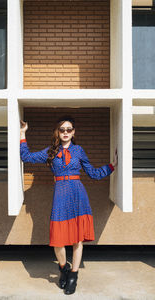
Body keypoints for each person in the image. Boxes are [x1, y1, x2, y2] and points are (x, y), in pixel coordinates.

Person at [20, 115, 118, 295]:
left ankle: (73, 275)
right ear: (58, 131)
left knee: (77, 239)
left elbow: (93, 173)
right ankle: (64, 268)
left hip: (78, 194)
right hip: (60, 194)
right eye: (62, 129)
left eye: (69, 129)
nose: (66, 132)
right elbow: (25, 156)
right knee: (58, 240)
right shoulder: (50, 151)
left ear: (73, 132)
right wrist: (22, 133)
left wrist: (112, 166)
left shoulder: (79, 150)